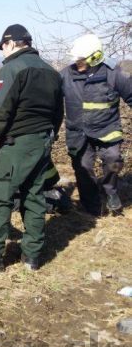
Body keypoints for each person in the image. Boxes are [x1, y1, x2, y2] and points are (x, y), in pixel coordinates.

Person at [0, 24, 63, 273]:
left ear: (11, 43)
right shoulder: (51, 71)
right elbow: (58, 112)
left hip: (17, 142)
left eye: (2, 47)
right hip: (41, 140)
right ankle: (32, 256)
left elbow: (1, 110)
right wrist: (50, 137)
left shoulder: (12, 69)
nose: (1, 53)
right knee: (34, 196)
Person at [61, 33, 132, 216]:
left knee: (113, 160)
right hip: (79, 133)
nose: (77, 62)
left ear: (95, 57)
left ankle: (110, 191)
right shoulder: (66, 75)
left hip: (107, 129)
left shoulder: (114, 74)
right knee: (82, 167)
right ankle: (92, 205)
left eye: (81, 59)